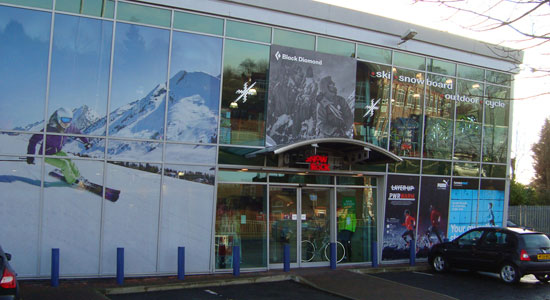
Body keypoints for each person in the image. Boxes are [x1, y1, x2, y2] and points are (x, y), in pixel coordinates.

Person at [26, 107, 91, 185]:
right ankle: (72, 181)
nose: (67, 123)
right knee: (64, 164)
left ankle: (78, 176)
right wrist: (30, 155)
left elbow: (78, 133)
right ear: (58, 118)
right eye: (65, 120)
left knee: (69, 160)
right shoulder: (50, 129)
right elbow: (33, 140)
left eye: (69, 120)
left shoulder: (69, 127)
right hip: (46, 154)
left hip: (57, 151)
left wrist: (86, 142)